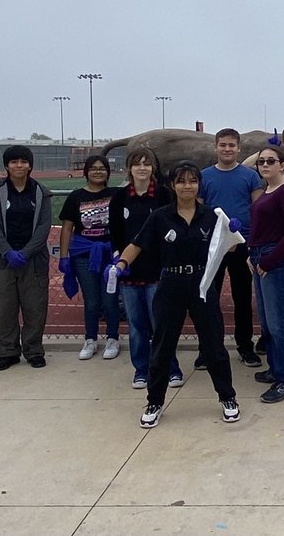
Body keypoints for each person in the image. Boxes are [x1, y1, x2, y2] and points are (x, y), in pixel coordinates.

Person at [108, 162, 240, 428]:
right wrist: (120, 264)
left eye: (192, 181)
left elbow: (231, 248)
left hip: (203, 283)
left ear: (199, 185)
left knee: (214, 344)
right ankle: (154, 402)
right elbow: (137, 244)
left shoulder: (212, 216)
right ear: (172, 185)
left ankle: (228, 397)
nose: (187, 186)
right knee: (162, 345)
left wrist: (233, 231)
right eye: (181, 181)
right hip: (170, 283)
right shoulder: (160, 217)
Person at [109, 147, 183, 389]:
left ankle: (170, 368)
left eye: (147, 164)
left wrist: (167, 261)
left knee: (161, 323)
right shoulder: (119, 198)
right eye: (137, 164)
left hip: (157, 272)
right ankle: (141, 370)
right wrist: (119, 260)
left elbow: (172, 230)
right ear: (129, 168)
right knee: (136, 326)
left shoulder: (164, 195)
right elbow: (115, 234)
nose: (142, 168)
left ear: (153, 168)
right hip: (130, 271)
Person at [200, 128, 264, 368]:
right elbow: (199, 211)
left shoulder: (250, 176)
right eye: (223, 145)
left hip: (241, 244)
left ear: (239, 148)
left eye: (231, 145)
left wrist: (251, 241)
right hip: (213, 246)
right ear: (215, 147)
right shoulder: (204, 176)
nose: (227, 149)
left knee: (243, 299)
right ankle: (208, 349)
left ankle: (245, 347)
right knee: (208, 299)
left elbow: (258, 211)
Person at [0, 145, 51, 371]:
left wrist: (26, 252)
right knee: (4, 309)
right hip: (3, 261)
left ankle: (34, 351)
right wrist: (7, 251)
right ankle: (7, 352)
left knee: (34, 308)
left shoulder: (40, 191)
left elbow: (43, 226)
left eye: (23, 161)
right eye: (14, 162)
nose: (19, 166)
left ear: (30, 165)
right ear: (6, 166)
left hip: (33, 260)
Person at [248, 145, 284, 403]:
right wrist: (252, 253)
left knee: (279, 323)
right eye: (261, 161)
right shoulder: (265, 192)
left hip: (277, 261)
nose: (265, 165)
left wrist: (270, 261)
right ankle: (275, 368)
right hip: (260, 257)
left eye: (271, 161)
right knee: (267, 322)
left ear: (282, 165)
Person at [59, 155, 122, 361]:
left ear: (108, 172)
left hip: (110, 254)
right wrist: (64, 256)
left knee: (110, 299)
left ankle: (112, 338)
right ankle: (90, 339)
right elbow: (67, 228)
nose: (98, 172)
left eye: (102, 168)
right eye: (93, 168)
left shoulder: (116, 194)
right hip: (83, 255)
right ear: (86, 172)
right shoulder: (75, 197)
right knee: (92, 301)